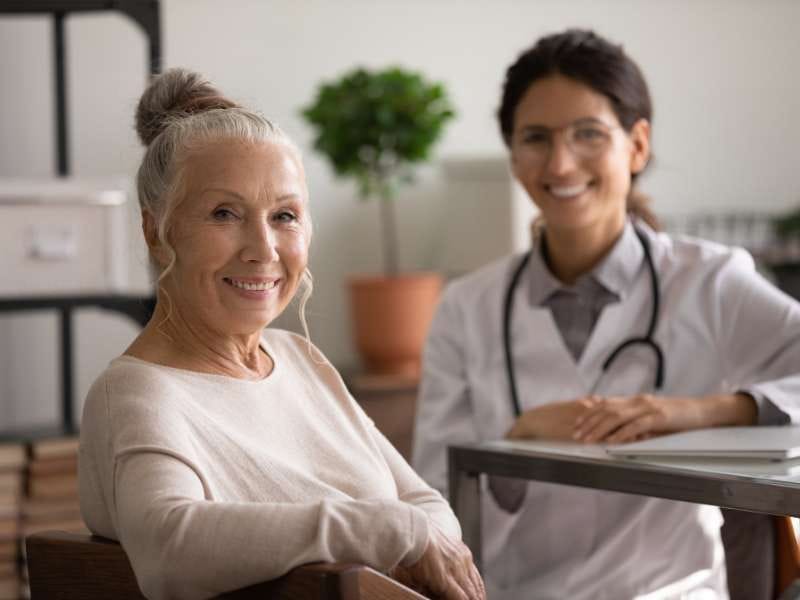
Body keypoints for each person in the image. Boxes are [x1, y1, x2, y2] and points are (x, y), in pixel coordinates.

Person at [413, 29, 800, 600]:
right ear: (514, 154)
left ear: (637, 145)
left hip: (672, 591)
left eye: (588, 134)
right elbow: (432, 503)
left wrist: (698, 411)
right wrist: (517, 438)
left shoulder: (709, 280)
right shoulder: (466, 307)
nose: (561, 163)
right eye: (536, 138)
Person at [78, 68, 485, 600]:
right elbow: (169, 549)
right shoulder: (137, 392)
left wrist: (401, 536)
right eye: (225, 213)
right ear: (156, 230)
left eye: (285, 216)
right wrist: (387, 535)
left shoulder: (301, 360)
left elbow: (429, 508)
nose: (264, 249)